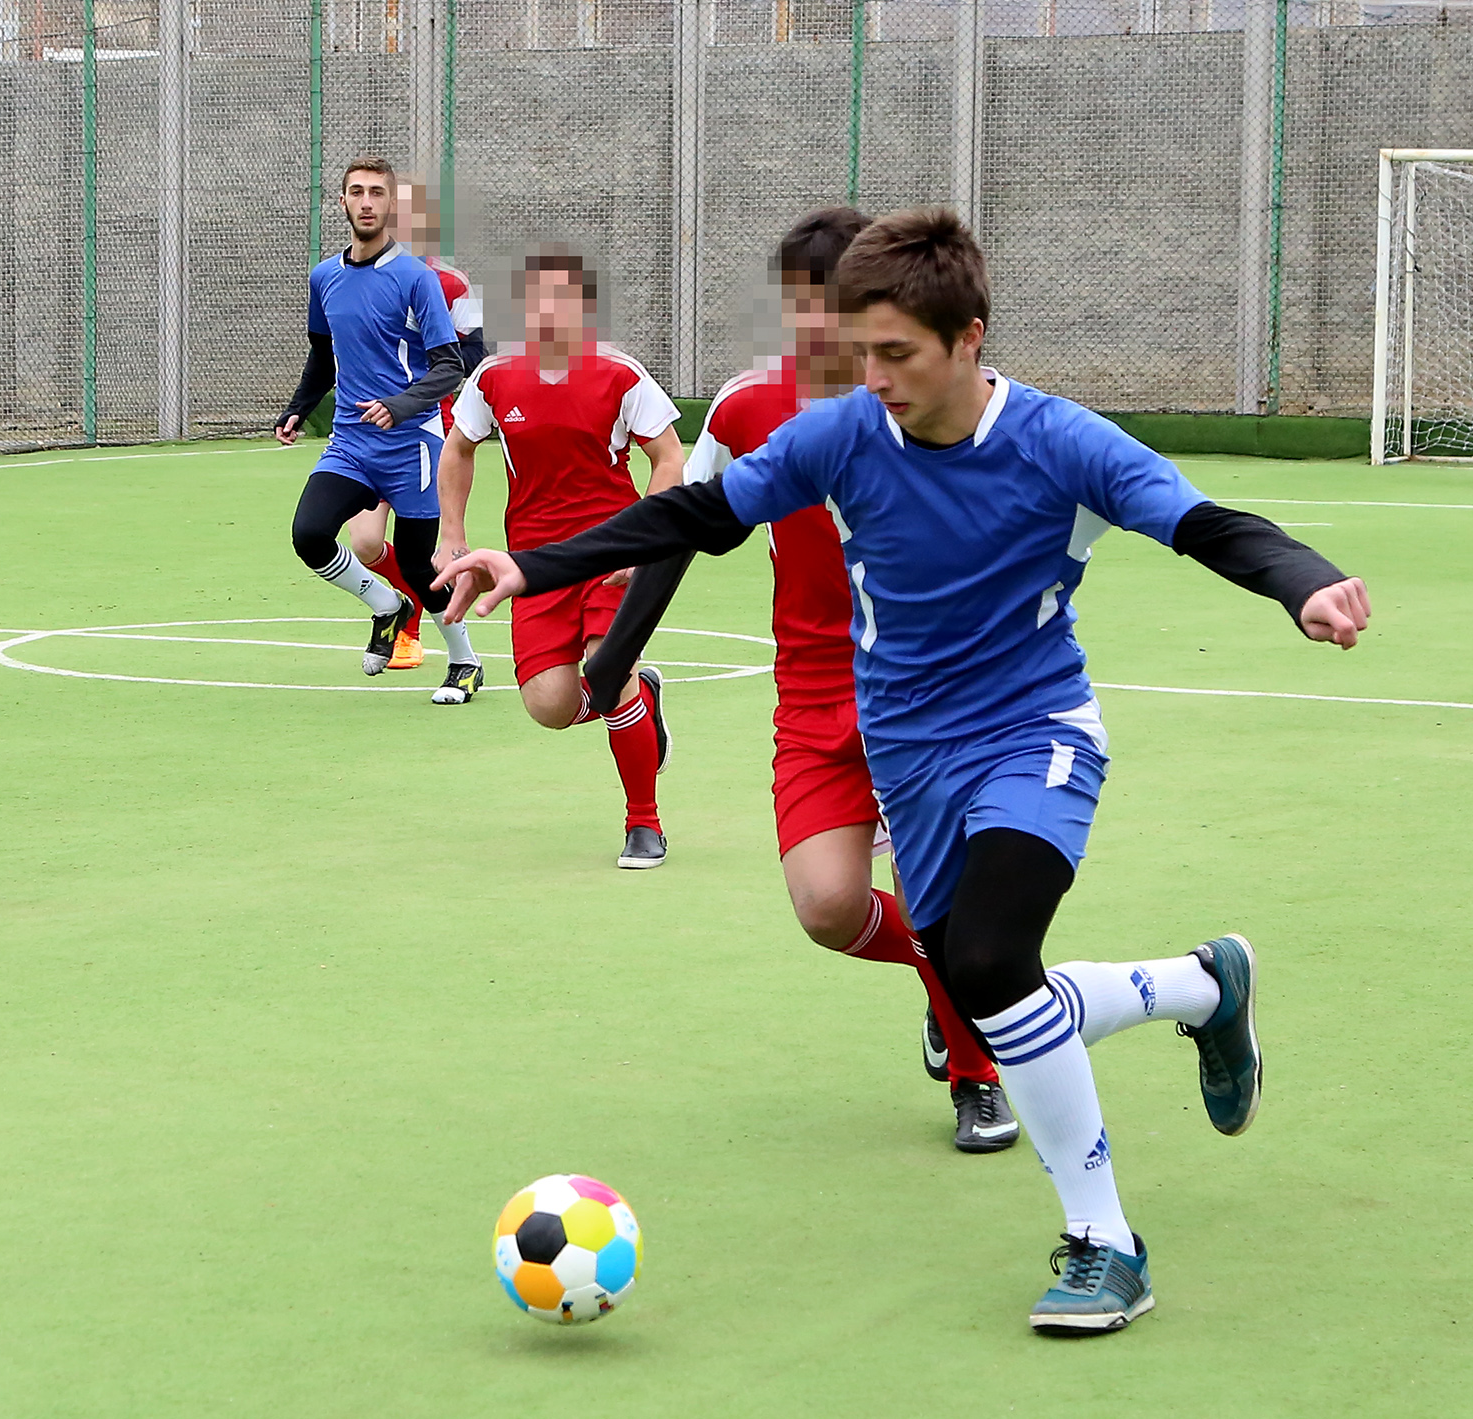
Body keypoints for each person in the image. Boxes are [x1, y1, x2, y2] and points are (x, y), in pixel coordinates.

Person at [436, 207, 1370, 1334]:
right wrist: (528, 565)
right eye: (856, 349)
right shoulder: (842, 434)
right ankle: (1201, 986)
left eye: (895, 355)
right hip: (905, 745)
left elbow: (1207, 523)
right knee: (977, 972)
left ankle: (1103, 1241)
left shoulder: (1059, 440)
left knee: (984, 958)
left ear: (968, 338)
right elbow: (699, 512)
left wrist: (1303, 583)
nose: (867, 376)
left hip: (1034, 731)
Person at [684, 208, 1017, 1152]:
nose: (811, 332)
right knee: (828, 908)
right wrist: (617, 648)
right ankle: (943, 979)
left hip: (922, 688)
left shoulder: (929, 407)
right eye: (796, 310)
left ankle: (975, 1070)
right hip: (811, 690)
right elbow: (692, 520)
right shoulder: (749, 406)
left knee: (938, 890)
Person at [437, 245, 683, 869]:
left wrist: (645, 540)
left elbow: (670, 460)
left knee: (606, 671)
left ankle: (644, 823)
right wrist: (452, 534)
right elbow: (458, 449)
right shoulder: (494, 378)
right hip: (534, 565)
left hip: (611, 554)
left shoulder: (619, 374)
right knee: (550, 706)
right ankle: (643, 702)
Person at [275, 156, 484, 704]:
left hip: (413, 444)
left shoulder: (415, 277)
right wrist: (299, 406)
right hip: (350, 442)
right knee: (309, 535)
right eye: (356, 192)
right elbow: (324, 354)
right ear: (342, 202)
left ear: (391, 206)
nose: (366, 201)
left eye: (376, 193)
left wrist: (399, 404)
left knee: (418, 562)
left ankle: (464, 661)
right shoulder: (325, 276)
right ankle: (387, 605)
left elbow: (449, 365)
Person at [344, 179, 485, 672]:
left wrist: (417, 358)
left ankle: (418, 636)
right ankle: (401, 608)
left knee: (423, 551)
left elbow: (471, 352)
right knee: (363, 543)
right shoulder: (353, 276)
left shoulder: (450, 283)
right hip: (369, 427)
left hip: (426, 429)